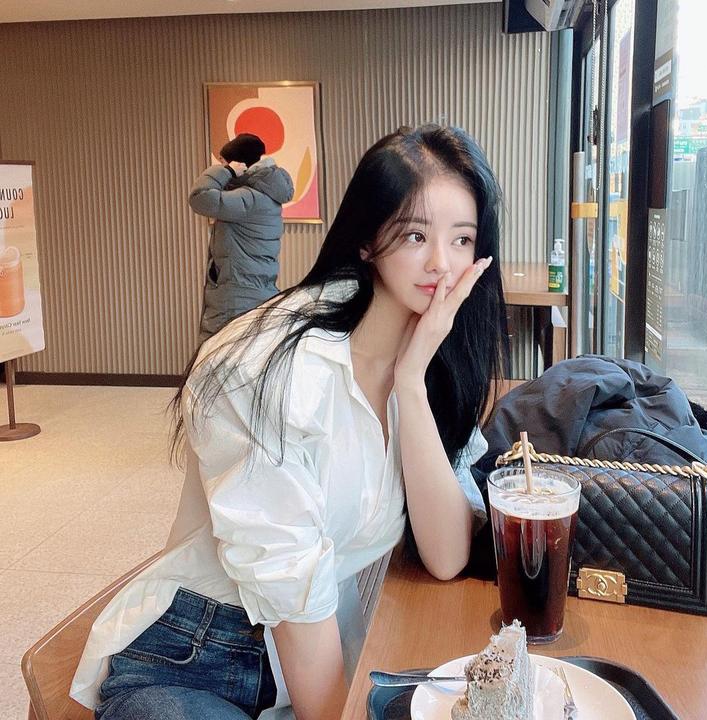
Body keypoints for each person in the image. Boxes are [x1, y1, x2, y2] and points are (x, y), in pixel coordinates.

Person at [70, 125, 508, 720]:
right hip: (196, 660)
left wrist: (410, 382)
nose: (442, 264)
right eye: (415, 235)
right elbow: (292, 595)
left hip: (318, 653)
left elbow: (447, 554)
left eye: (462, 240)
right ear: (366, 240)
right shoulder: (264, 370)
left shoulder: (429, 356)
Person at [189, 133, 294, 341]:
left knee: (222, 354)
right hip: (250, 291)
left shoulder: (250, 199)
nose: (221, 167)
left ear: (239, 164)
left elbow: (199, 198)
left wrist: (226, 172)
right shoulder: (263, 195)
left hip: (237, 297)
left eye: (223, 162)